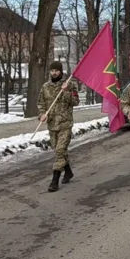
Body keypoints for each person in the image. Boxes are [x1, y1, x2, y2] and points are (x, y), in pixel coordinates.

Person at [38, 61, 80, 192]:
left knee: (60, 151)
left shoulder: (70, 85)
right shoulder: (45, 87)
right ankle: (68, 172)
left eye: (56, 70)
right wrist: (42, 114)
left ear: (61, 72)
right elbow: (41, 103)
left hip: (65, 124)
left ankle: (54, 180)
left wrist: (67, 91)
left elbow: (75, 102)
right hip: (52, 125)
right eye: (52, 71)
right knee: (58, 150)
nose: (54, 73)